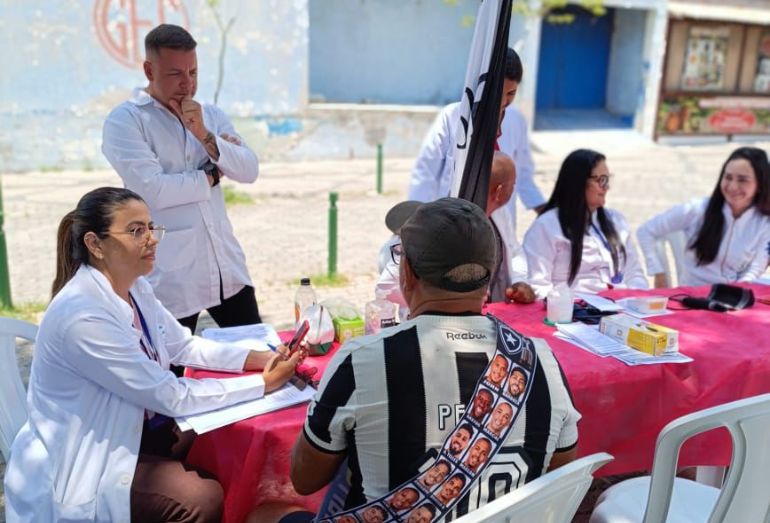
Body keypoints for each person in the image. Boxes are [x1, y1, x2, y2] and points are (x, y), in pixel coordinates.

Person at [271, 198, 580, 523]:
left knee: (268, 513)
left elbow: (304, 479)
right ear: (490, 275)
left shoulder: (361, 361)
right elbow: (556, 480)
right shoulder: (542, 361)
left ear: (406, 272)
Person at [3, 187, 300, 523]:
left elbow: (184, 345)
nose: (152, 239)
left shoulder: (135, 287)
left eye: (150, 227)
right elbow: (169, 396)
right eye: (136, 231)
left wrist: (256, 358)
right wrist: (263, 385)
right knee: (200, 499)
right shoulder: (82, 316)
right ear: (95, 244)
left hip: (136, 427)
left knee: (229, 435)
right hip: (89, 455)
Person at [102, 24, 261, 334]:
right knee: (169, 373)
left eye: (194, 72)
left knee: (257, 355)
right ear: (149, 70)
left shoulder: (211, 115)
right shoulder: (126, 121)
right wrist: (214, 174)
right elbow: (154, 190)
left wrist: (203, 134)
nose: (187, 84)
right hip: (170, 279)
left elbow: (249, 170)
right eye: (176, 74)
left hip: (225, 268)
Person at [408, 47, 546, 234]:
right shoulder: (453, 117)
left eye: (511, 94)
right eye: (498, 93)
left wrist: (543, 210)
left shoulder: (516, 121)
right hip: (452, 222)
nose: (503, 101)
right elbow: (425, 173)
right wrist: (415, 223)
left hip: (498, 227)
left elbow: (523, 174)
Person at [376, 152, 535, 310]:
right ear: (499, 191)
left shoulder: (500, 214)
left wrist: (519, 282)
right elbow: (386, 286)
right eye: (513, 185)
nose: (514, 190)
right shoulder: (440, 223)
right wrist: (452, 298)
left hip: (492, 318)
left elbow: (514, 251)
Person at [636, 146, 770, 287]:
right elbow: (646, 230)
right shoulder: (697, 209)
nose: (732, 186)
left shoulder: (765, 223)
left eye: (742, 180)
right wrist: (658, 271)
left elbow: (755, 269)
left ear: (760, 184)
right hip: (691, 298)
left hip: (733, 301)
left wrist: (736, 293)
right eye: (728, 177)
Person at [523, 149, 648, 298]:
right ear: (578, 182)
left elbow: (635, 274)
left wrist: (633, 301)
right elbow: (538, 285)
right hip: (571, 313)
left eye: (607, 179)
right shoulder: (546, 226)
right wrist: (570, 308)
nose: (606, 187)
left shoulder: (616, 221)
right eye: (601, 180)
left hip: (621, 310)